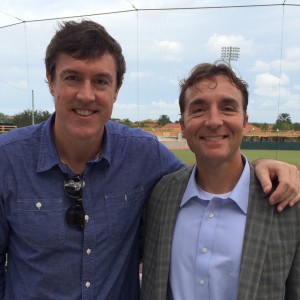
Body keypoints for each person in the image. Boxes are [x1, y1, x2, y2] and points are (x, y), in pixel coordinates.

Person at [0, 21, 298, 300]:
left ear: (116, 90)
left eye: (101, 81)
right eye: (72, 78)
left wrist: (261, 166)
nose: (86, 94)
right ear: (51, 81)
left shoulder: (144, 154)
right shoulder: (7, 158)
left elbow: (212, 175)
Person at [141, 62, 300, 300]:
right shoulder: (161, 195)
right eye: (198, 109)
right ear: (183, 126)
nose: (214, 121)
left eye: (227, 108)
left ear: (245, 123)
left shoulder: (288, 203)